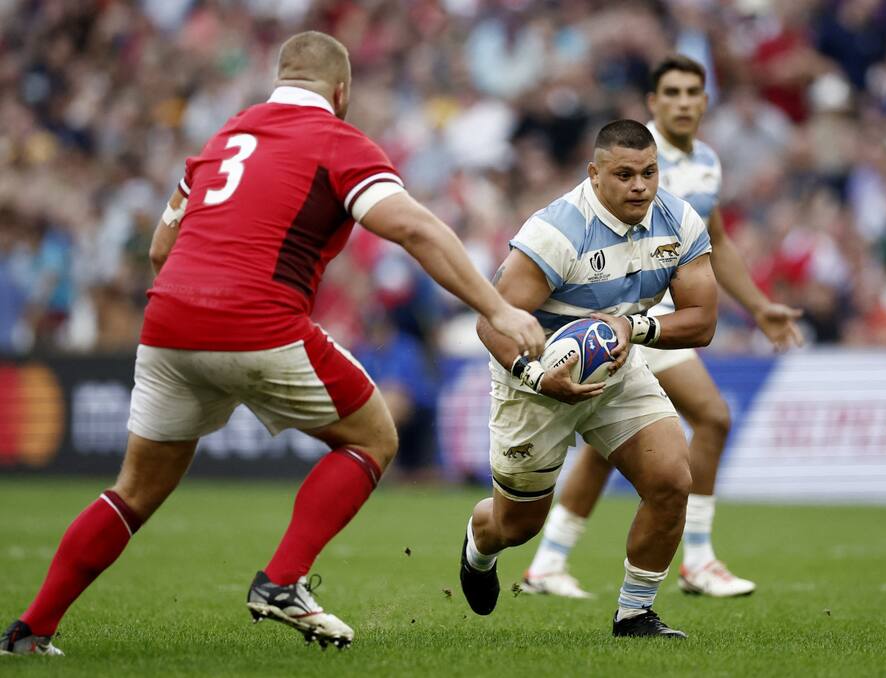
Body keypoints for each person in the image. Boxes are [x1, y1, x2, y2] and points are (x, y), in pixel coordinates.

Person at [0, 31, 544, 657]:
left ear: (277, 81)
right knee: (373, 437)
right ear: (341, 92)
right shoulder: (337, 140)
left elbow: (158, 250)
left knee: (134, 491)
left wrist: (200, 311)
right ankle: (283, 581)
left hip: (168, 322)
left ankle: (30, 629)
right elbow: (415, 228)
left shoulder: (223, 138)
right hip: (257, 318)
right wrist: (498, 308)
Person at [521, 55, 803, 601]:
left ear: (704, 100)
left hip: (656, 324)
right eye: (670, 92)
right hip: (616, 315)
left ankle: (555, 562)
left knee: (676, 429)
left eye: (692, 92)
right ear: (652, 103)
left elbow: (714, 244)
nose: (682, 102)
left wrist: (759, 305)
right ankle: (687, 559)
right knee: (688, 423)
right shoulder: (637, 157)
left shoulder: (706, 164)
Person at [459, 119, 719, 639]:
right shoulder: (556, 231)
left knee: (672, 481)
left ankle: (635, 613)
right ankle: (477, 549)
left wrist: (634, 325)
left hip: (618, 368)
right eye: (624, 175)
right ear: (594, 174)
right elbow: (492, 319)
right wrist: (536, 375)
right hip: (534, 380)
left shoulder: (678, 220)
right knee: (517, 527)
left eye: (649, 173)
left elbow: (703, 322)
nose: (640, 186)